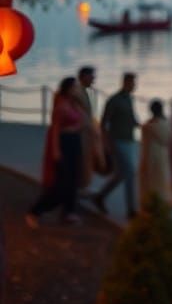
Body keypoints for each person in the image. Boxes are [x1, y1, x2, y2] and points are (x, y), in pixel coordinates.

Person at [26, 77, 86, 227]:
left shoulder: (74, 104)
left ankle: (68, 213)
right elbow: (55, 129)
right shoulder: (61, 106)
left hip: (74, 143)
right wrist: (56, 150)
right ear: (69, 88)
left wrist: (79, 103)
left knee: (73, 180)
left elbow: (83, 120)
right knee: (61, 184)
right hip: (64, 143)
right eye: (75, 87)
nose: (78, 90)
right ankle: (35, 211)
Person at [94, 72, 140, 218]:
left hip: (130, 141)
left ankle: (100, 196)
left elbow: (133, 120)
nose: (134, 85)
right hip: (118, 142)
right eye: (132, 82)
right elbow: (103, 123)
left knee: (121, 174)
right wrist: (106, 144)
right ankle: (131, 210)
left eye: (135, 82)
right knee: (130, 174)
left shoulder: (129, 99)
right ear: (125, 82)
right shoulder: (114, 100)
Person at [70, 65, 105, 189]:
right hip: (81, 133)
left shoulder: (82, 91)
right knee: (82, 161)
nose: (93, 80)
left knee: (85, 160)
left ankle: (82, 185)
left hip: (85, 132)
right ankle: (80, 186)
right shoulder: (77, 92)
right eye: (92, 77)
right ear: (84, 77)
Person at [139, 99, 172, 206]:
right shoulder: (167, 124)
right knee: (161, 182)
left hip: (149, 156)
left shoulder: (147, 126)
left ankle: (150, 205)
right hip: (163, 157)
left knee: (150, 183)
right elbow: (169, 139)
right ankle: (162, 204)